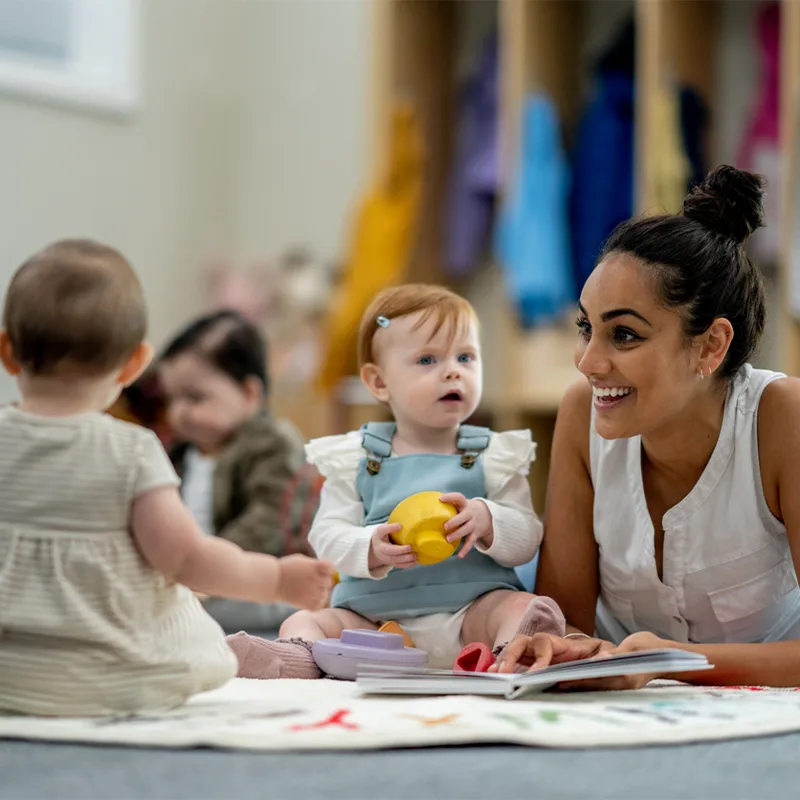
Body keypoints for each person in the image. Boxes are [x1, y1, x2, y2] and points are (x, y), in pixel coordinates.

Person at [495, 165, 800, 689]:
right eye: (587, 328)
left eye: (625, 335)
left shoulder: (782, 417)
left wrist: (671, 662)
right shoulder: (579, 415)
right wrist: (558, 646)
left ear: (710, 346)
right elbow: (570, 621)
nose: (589, 362)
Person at [0, 239, 334, 716]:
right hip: (106, 677)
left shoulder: (266, 446)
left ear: (7, 351)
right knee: (196, 640)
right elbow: (186, 558)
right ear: (136, 363)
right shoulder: (132, 450)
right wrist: (276, 578)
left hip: (8, 677)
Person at [227, 283, 565, 679]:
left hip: (470, 613)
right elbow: (327, 537)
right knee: (307, 620)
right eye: (427, 359)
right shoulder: (356, 457)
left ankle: (510, 653)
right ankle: (295, 657)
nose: (453, 370)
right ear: (379, 381)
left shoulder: (494, 456)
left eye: (466, 356)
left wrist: (488, 520)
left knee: (521, 606)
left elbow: (527, 536)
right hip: (374, 625)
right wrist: (370, 546)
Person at [158, 311, 320, 630]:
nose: (178, 412)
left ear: (249, 393)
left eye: (195, 397)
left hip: (259, 579)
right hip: (195, 579)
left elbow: (267, 521)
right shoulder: (181, 452)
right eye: (172, 398)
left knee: (257, 610)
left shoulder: (272, 444)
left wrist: (206, 568)